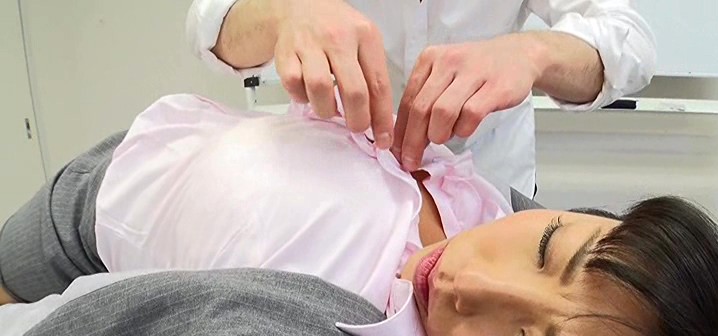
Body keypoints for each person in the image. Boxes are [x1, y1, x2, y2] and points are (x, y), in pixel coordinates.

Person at [1, 94, 718, 336]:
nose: (463, 280)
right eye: (550, 247)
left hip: (81, 238)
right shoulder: (494, 201)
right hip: (139, 152)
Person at [186, 0, 657, 199]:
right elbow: (210, 23)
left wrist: (534, 53)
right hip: (333, 192)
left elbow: (629, 41)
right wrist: (285, 12)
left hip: (487, 188)